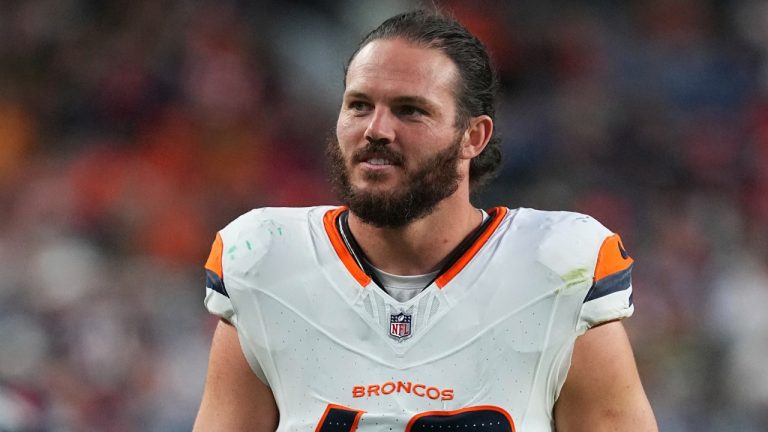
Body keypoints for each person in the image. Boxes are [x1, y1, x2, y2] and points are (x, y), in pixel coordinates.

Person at [193, 9, 658, 432]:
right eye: (359, 105)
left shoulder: (557, 272)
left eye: (409, 110)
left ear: (473, 136)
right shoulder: (267, 264)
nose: (376, 129)